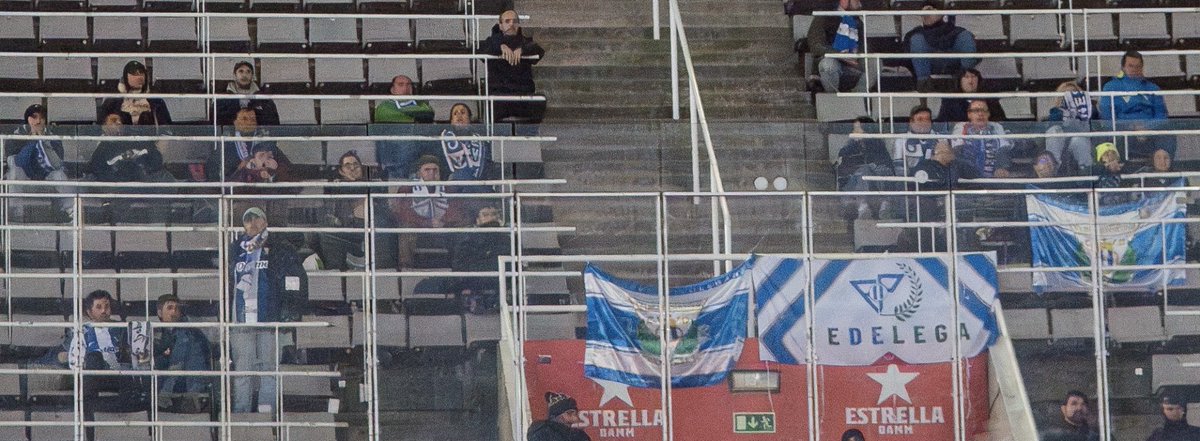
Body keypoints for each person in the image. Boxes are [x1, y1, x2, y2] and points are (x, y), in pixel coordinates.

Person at [229, 207, 308, 413]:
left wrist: (289, 311)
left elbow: (294, 280)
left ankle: (266, 414)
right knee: (242, 370)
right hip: (241, 320)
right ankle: (241, 415)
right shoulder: (235, 249)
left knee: (268, 370)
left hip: (269, 318)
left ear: (265, 223)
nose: (253, 224)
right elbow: (227, 283)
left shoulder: (280, 248)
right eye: (248, 220)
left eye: (257, 220)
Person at [318, 150, 399, 271]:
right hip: (345, 232)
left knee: (383, 229)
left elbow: (385, 211)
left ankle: (381, 272)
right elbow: (328, 213)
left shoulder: (373, 187)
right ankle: (338, 275)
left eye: (356, 165)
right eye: (347, 165)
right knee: (326, 234)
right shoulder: (334, 188)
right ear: (341, 171)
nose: (352, 168)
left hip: (371, 229)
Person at [389, 155, 466, 267]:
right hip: (417, 227)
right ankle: (406, 268)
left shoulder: (449, 189)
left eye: (435, 170)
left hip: (443, 227)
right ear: (419, 173)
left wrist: (443, 221)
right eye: (427, 170)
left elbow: (456, 210)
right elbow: (403, 213)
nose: (432, 173)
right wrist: (426, 222)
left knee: (462, 228)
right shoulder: (407, 189)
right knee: (406, 230)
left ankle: (459, 266)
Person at [1098, 50, 1172, 159]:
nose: (1134, 70)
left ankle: (1165, 172)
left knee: (1168, 137)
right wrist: (1131, 127)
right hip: (1123, 132)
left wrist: (1146, 128)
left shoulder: (1153, 88)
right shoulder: (1110, 87)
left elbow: (1162, 116)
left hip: (1150, 131)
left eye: (1138, 66)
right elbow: (1107, 118)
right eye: (1131, 66)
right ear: (1123, 67)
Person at [483, 10, 547, 123]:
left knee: (540, 101)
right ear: (501, 26)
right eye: (507, 21)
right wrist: (500, 45)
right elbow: (481, 49)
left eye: (515, 21)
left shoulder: (526, 42)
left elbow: (539, 51)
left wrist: (523, 49)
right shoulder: (491, 41)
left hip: (523, 95)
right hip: (500, 97)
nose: (511, 24)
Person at [375, 75, 437, 180]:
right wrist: (415, 116)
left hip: (420, 150)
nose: (405, 88)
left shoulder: (422, 104)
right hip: (395, 152)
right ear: (392, 90)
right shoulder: (384, 106)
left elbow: (428, 114)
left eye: (409, 85)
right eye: (400, 85)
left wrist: (407, 114)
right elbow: (389, 117)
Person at [904, 2, 978, 90]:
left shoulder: (958, 33)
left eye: (933, 9)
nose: (929, 12)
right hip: (929, 60)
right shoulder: (916, 35)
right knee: (917, 40)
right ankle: (924, 87)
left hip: (953, 57)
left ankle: (964, 82)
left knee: (966, 37)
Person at [153, 294, 211, 403]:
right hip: (162, 379)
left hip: (186, 379)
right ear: (160, 313)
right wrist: (164, 357)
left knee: (187, 339)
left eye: (177, 308)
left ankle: (170, 393)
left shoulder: (192, 332)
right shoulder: (154, 333)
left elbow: (205, 356)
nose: (174, 312)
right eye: (170, 308)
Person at [450, 205, 509, 313]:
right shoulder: (466, 241)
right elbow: (460, 267)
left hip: (502, 285)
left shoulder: (508, 240)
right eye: (486, 215)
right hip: (474, 285)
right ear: (477, 220)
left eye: (494, 214)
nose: (491, 218)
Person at [89, 111, 174, 183]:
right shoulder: (105, 146)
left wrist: (142, 156)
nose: (115, 128)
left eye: (118, 123)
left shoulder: (139, 141)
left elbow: (156, 161)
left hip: (143, 183)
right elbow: (96, 168)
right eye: (111, 124)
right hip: (117, 185)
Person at [836, 117, 894, 219]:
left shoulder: (879, 148)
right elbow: (843, 171)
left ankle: (876, 206)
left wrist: (871, 167)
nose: (855, 132)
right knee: (862, 172)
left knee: (867, 171)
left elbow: (888, 168)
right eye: (854, 129)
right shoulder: (847, 149)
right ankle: (862, 205)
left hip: (876, 184)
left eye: (858, 129)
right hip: (853, 185)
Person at [208, 107, 287, 182]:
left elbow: (284, 169)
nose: (249, 122)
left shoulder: (267, 145)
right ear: (235, 122)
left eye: (253, 119)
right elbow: (214, 170)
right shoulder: (226, 145)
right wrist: (239, 169)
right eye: (244, 119)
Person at [809, 0, 866, 93]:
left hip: (853, 66)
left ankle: (857, 95)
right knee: (828, 65)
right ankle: (834, 99)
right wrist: (840, 56)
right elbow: (816, 45)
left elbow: (864, 48)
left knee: (874, 63)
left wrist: (857, 57)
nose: (859, 3)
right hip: (833, 63)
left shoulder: (859, 23)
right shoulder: (824, 17)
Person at [951, 99, 1013, 178]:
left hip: (994, 178)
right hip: (969, 179)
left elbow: (1004, 149)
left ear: (988, 114)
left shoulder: (997, 127)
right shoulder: (961, 127)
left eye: (984, 110)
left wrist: (1001, 167)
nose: (981, 114)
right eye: (976, 111)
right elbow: (957, 151)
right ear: (969, 114)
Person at [97, 60, 172, 126]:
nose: (140, 77)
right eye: (134, 74)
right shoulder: (111, 102)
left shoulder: (156, 102)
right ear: (126, 77)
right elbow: (100, 128)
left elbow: (166, 130)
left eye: (141, 73)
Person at [1043, 81, 1095, 173]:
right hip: (1061, 143)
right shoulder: (1055, 112)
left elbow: (1092, 125)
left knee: (1078, 140)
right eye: (1065, 95)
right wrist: (1065, 113)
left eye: (1072, 94)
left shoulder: (1090, 109)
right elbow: (1053, 125)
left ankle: (1087, 172)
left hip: (1082, 141)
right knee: (1054, 131)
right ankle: (1052, 169)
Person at [442, 103, 493, 187]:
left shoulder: (482, 143)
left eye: (462, 112)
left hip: (477, 188)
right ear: (451, 122)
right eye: (455, 113)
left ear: (469, 119)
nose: (459, 116)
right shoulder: (442, 141)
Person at [216, 60, 280, 127]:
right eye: (241, 71)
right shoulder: (222, 99)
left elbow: (273, 125)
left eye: (248, 72)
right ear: (234, 75)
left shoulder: (264, 100)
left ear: (252, 76)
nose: (244, 75)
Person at [935, 68, 1006, 123]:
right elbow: (943, 124)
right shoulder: (949, 101)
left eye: (973, 76)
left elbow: (999, 120)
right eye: (966, 77)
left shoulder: (990, 99)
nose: (970, 80)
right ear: (960, 81)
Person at [893, 105, 942, 176]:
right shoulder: (901, 140)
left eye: (927, 120)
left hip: (937, 182)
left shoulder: (941, 138)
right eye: (920, 120)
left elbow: (946, 165)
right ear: (911, 122)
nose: (924, 123)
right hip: (911, 181)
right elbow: (899, 169)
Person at [911, 139, 978, 191]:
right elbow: (914, 180)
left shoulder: (958, 165)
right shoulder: (925, 165)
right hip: (932, 199)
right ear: (933, 155)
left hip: (954, 198)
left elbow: (975, 173)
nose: (943, 155)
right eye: (940, 152)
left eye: (946, 152)